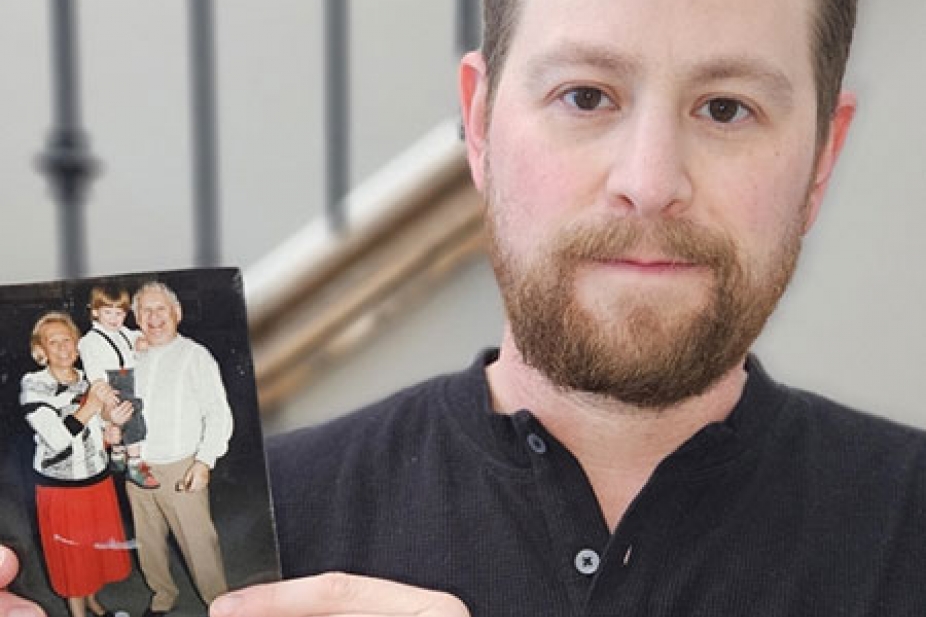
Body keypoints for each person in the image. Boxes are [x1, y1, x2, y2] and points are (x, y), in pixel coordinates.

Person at [3, 0, 926, 615]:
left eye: (726, 109)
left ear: (820, 160)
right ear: (479, 127)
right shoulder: (269, 538)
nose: (650, 183)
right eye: (586, 95)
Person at [126, 282, 233, 617]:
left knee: (199, 544)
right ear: (136, 318)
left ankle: (221, 605)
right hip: (136, 466)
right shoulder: (130, 357)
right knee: (149, 545)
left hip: (180, 466)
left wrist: (204, 462)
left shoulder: (195, 356)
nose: (154, 317)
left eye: (161, 309)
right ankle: (163, 596)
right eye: (145, 311)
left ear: (177, 313)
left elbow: (218, 412)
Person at [20, 312, 134, 617]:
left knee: (93, 552)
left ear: (77, 344)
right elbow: (57, 439)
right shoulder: (34, 386)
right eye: (52, 342)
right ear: (40, 351)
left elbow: (96, 433)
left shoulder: (87, 381)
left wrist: (111, 432)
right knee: (73, 560)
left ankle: (95, 604)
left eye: (67, 339)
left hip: (97, 481)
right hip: (62, 490)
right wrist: (92, 406)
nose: (61, 348)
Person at [77, 286, 159, 489]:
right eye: (108, 312)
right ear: (95, 312)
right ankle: (134, 463)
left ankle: (118, 452)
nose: (114, 318)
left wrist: (140, 341)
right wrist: (102, 389)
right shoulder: (89, 340)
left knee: (125, 417)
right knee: (132, 411)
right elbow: (92, 368)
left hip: (129, 377)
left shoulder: (123, 332)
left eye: (119, 313)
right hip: (110, 382)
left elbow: (136, 336)